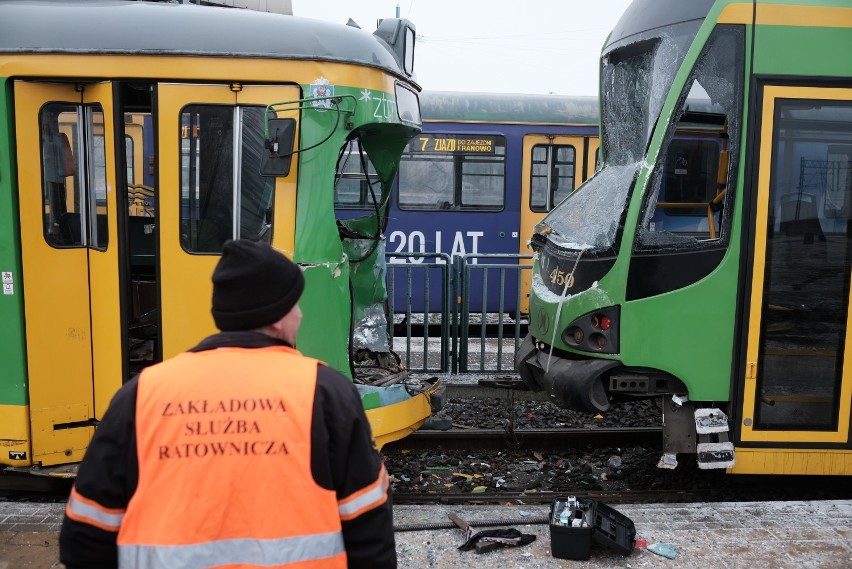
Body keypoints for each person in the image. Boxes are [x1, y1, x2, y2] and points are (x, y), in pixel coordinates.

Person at [60, 239, 397, 569]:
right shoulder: (325, 393)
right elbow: (369, 527)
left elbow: (85, 536)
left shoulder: (142, 394)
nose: (299, 315)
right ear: (278, 315)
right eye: (295, 305)